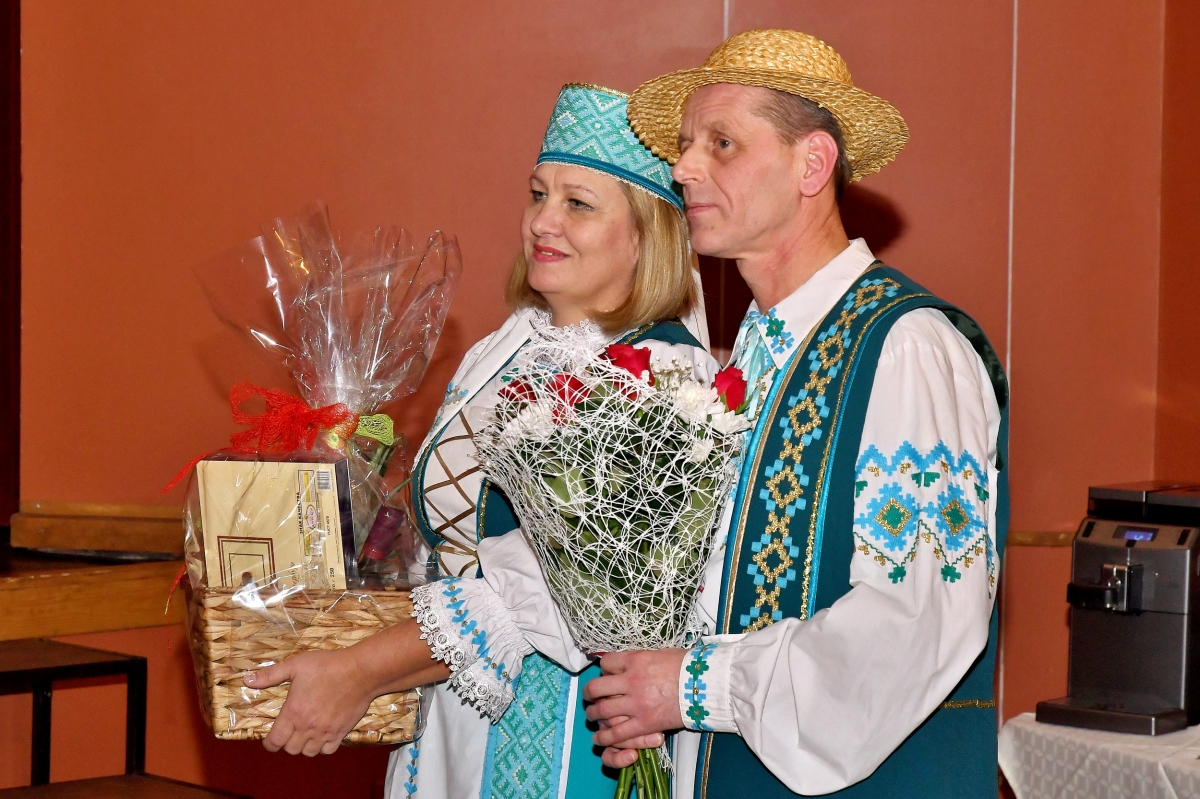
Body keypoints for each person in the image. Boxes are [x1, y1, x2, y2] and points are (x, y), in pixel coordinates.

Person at [415, 29, 1008, 797]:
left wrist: (690, 686)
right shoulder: (746, 364)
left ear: (812, 164)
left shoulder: (905, 346)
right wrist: (652, 688)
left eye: (721, 143)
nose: (684, 167)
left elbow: (919, 618)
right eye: (687, 146)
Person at [245, 82, 718, 799]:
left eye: (578, 203)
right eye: (538, 194)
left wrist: (361, 669)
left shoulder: (664, 378)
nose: (542, 222)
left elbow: (543, 589)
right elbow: (452, 534)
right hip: (448, 710)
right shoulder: (509, 343)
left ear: (647, 235)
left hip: (566, 731)